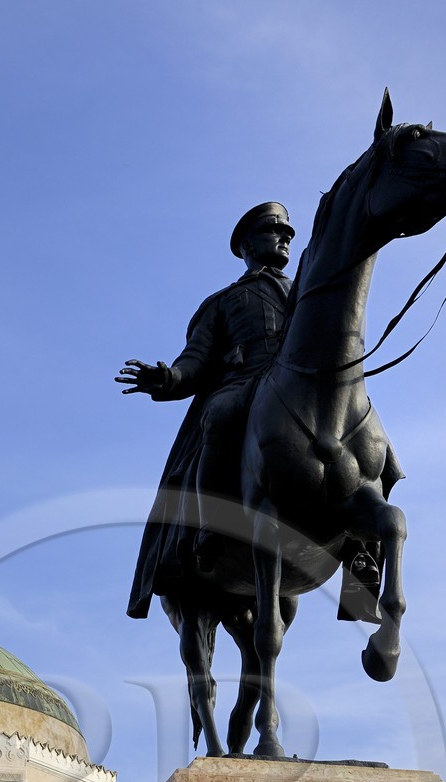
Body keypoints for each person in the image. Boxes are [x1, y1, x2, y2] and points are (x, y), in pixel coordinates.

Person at [118, 203, 295, 619]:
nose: (285, 236)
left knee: (377, 446)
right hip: (244, 385)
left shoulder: (310, 289)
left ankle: (363, 564)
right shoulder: (224, 302)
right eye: (274, 230)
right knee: (219, 414)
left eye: (288, 231)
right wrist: (166, 378)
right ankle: (214, 526)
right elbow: (194, 363)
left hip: (299, 384)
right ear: (247, 244)